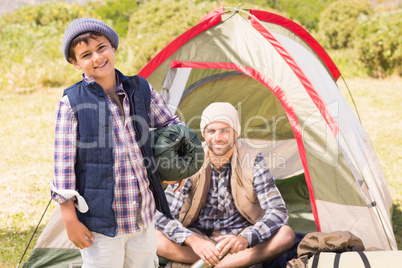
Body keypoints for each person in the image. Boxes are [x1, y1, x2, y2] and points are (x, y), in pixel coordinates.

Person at [50, 17, 184, 267]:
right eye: (86, 54)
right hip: (100, 225)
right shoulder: (71, 103)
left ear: (112, 47)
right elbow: (63, 166)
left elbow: (171, 126)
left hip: (143, 216)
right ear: (74, 62)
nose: (97, 58)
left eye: (101, 48)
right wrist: (69, 219)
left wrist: (179, 163)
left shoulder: (140, 89)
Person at [155, 102, 295, 268]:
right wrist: (192, 240)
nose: (218, 137)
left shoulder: (253, 159)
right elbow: (162, 213)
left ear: (235, 133)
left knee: (286, 234)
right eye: (211, 131)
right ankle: (229, 263)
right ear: (204, 134)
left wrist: (247, 238)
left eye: (224, 131)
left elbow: (277, 211)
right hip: (200, 241)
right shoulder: (190, 160)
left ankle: (219, 265)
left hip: (239, 241)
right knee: (154, 238)